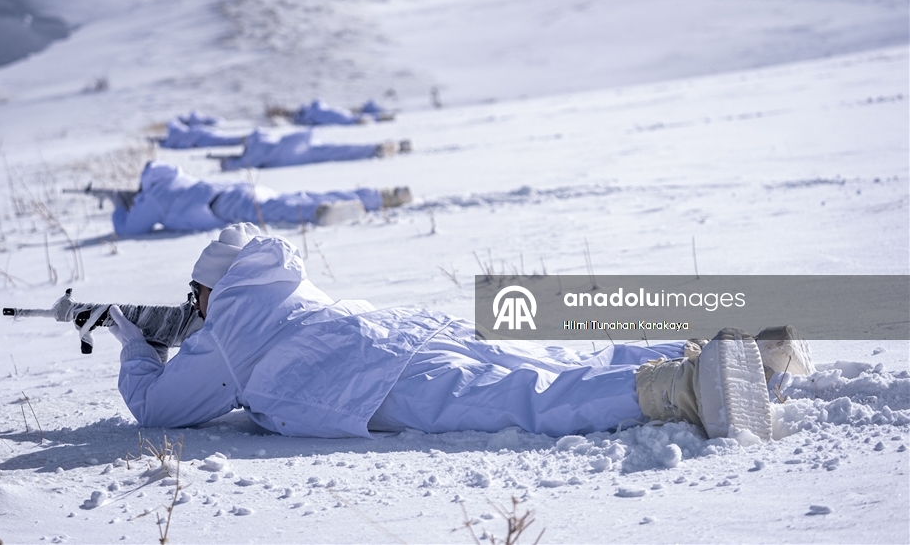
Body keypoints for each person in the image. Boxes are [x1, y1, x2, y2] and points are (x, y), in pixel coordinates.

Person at [106, 224, 813, 440]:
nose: (193, 307)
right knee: (551, 355)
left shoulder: (229, 323)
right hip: (401, 333)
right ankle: (745, 355)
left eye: (196, 294)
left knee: (527, 397)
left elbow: (162, 408)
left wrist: (134, 341)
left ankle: (687, 386)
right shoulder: (281, 287)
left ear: (217, 287)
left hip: (367, 382)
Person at [109, 161, 412, 236]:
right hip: (235, 192)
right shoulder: (177, 180)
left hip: (224, 203)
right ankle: (379, 197)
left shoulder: (153, 195)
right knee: (291, 198)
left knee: (278, 208)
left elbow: (130, 229)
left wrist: (118, 207)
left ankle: (321, 212)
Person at [216, 128, 411, 171]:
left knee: (337, 153)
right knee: (336, 150)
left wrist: (228, 163)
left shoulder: (255, 149)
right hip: (297, 142)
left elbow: (246, 164)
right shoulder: (261, 139)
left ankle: (376, 149)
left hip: (294, 154)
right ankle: (378, 147)